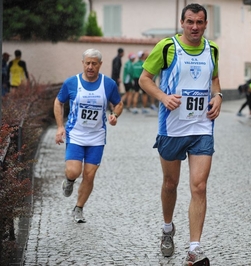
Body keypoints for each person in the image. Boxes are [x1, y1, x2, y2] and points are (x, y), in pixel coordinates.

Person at [139, 3, 222, 265]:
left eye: (199, 22)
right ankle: (167, 229)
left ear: (206, 24)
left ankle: (194, 249)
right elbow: (144, 79)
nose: (194, 27)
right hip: (172, 129)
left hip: (201, 127)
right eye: (190, 22)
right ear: (182, 22)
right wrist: (163, 97)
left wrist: (218, 96)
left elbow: (215, 80)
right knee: (170, 184)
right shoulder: (167, 47)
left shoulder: (213, 49)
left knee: (199, 186)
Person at [54, 48, 123, 223]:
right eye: (87, 63)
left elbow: (119, 103)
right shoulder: (72, 82)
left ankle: (79, 208)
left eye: (94, 63)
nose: (90, 67)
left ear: (100, 64)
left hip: (97, 137)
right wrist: (60, 126)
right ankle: (69, 180)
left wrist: (115, 115)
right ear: (83, 63)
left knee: (90, 175)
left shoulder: (108, 84)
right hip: (76, 134)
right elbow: (59, 101)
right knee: (73, 170)